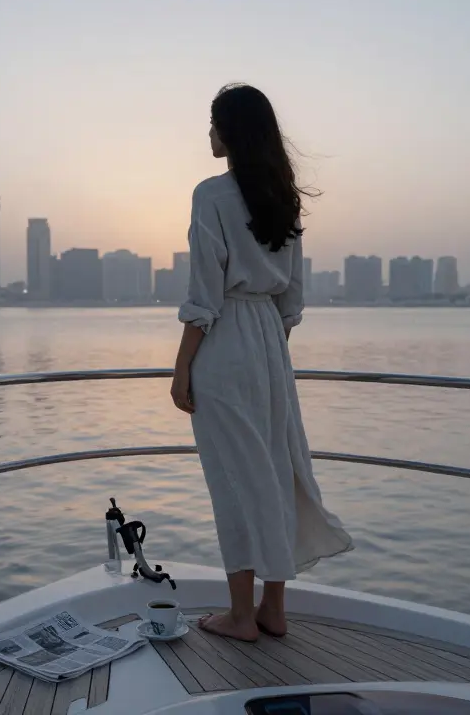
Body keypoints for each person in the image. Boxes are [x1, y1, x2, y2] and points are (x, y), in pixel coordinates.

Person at [171, 83, 352, 642]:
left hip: (225, 340)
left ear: (231, 131)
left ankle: (240, 615)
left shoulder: (211, 195)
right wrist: (269, 353)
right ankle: (274, 608)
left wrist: (181, 370)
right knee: (275, 471)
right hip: (271, 345)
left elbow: (204, 295)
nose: (208, 133)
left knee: (234, 480)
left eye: (213, 123)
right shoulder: (282, 197)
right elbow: (292, 299)